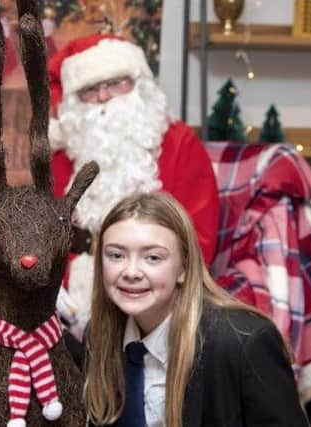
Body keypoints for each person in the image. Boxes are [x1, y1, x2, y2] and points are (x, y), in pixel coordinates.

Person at [44, 33, 221, 338]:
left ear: (139, 84)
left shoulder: (180, 145)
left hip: (154, 296)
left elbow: (197, 240)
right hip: (69, 301)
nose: (104, 97)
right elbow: (39, 231)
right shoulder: (60, 155)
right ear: (73, 102)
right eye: (89, 90)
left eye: (116, 83)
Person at [85, 191, 308, 427]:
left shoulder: (243, 342)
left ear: (184, 267)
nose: (131, 272)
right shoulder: (100, 336)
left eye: (152, 258)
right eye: (116, 255)